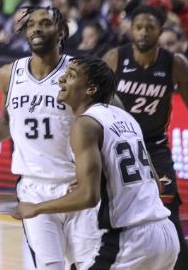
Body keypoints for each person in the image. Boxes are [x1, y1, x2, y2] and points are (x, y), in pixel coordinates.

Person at [0, 7, 99, 269]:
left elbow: (108, 115)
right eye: (31, 24)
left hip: (76, 187)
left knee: (88, 265)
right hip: (33, 189)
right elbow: (6, 122)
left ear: (61, 32)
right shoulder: (10, 74)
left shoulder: (79, 72)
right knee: (50, 266)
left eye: (45, 23)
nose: (36, 28)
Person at [13, 56, 179, 270]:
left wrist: (35, 208)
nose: (61, 79)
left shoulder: (84, 125)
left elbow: (88, 197)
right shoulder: (126, 117)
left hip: (129, 240)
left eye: (71, 76)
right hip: (165, 235)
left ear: (90, 89)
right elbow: (155, 184)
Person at [103, 4, 188, 268]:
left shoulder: (175, 64)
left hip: (154, 147)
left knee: (168, 212)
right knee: (108, 214)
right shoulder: (115, 57)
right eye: (138, 27)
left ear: (160, 31)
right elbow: (95, 101)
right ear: (131, 29)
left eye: (149, 28)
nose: (143, 32)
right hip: (117, 146)